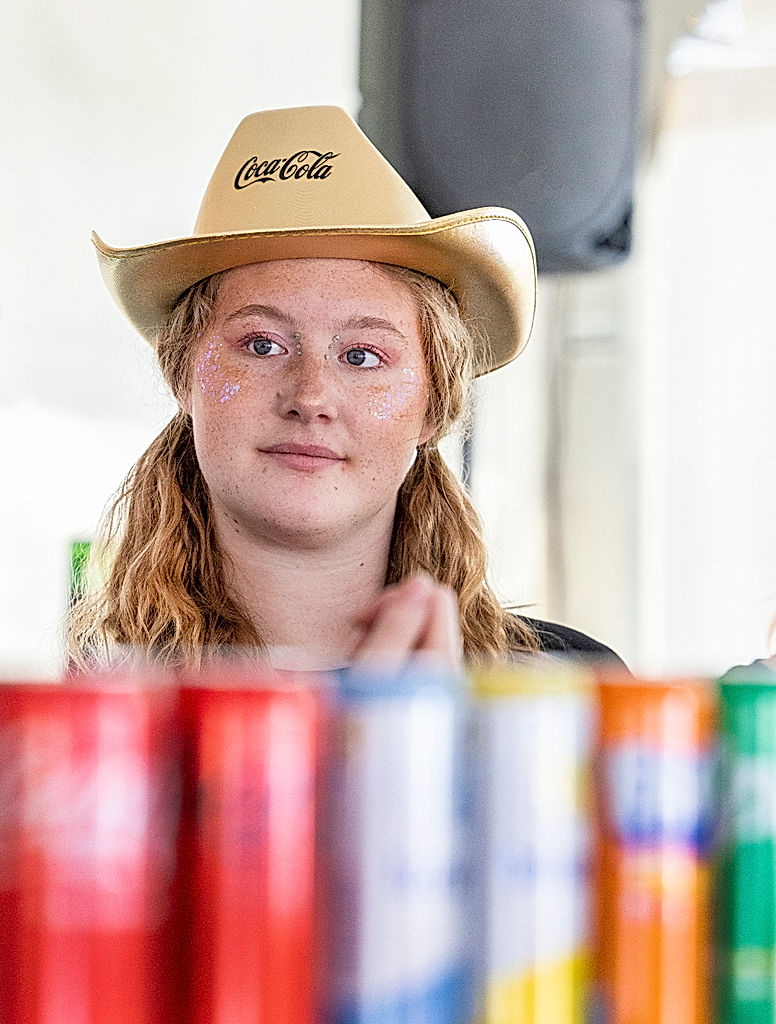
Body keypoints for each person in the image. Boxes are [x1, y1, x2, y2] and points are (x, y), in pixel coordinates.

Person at [68, 105, 625, 673]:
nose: (310, 398)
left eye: (362, 356)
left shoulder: (572, 691)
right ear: (183, 375)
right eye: (262, 345)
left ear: (434, 406)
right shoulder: (98, 702)